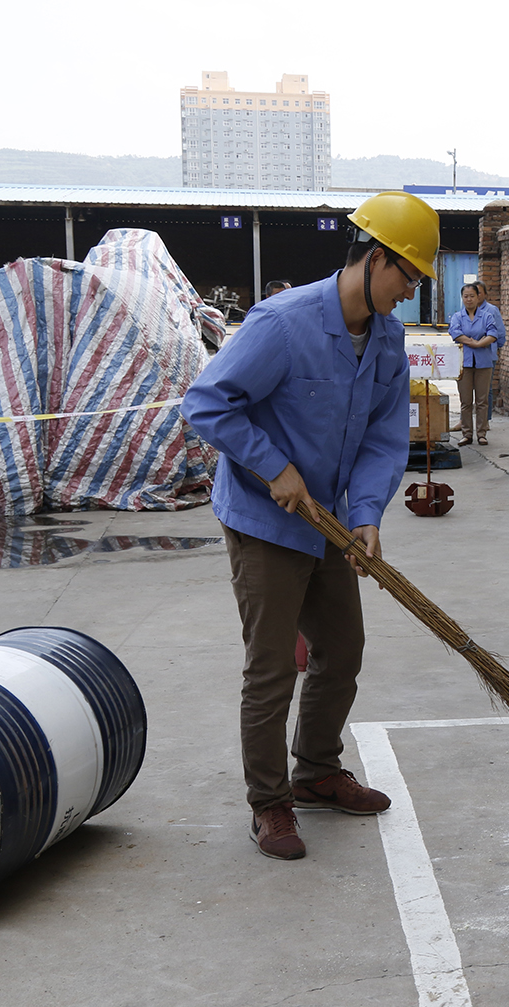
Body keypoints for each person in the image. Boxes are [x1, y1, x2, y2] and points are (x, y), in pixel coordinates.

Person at [182, 190, 439, 861]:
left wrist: (366, 516)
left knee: (343, 648)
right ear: (375, 258)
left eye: (416, 282)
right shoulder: (283, 323)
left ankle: (317, 769)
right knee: (271, 668)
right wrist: (274, 467)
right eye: (406, 277)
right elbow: (206, 404)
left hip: (328, 522)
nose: (408, 293)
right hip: (267, 520)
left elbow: (386, 436)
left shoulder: (386, 339)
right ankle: (270, 802)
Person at [449, 281, 504, 446]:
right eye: (466, 296)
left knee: (482, 400)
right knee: (466, 401)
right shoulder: (458, 317)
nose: (469, 299)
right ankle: (467, 433)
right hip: (464, 363)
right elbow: (455, 333)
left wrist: (479, 344)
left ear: (478, 297)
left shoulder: (487, 315)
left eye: (472, 296)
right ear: (462, 298)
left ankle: (482, 433)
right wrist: (472, 342)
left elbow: (493, 333)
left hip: (484, 362)